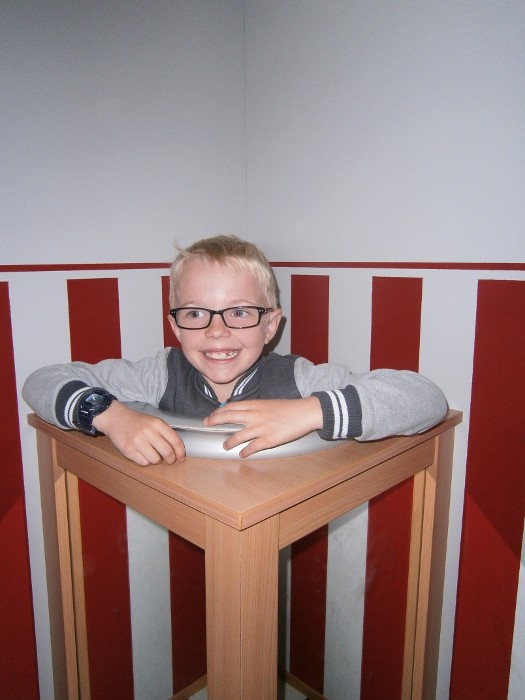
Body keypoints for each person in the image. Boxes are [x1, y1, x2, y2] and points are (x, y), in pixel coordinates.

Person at [22, 235, 448, 465]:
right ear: (175, 326)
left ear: (270, 325)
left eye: (240, 312)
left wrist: (310, 411)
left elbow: (426, 398)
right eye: (196, 314)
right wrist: (110, 416)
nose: (217, 331)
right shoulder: (160, 374)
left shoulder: (298, 379)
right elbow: (42, 380)